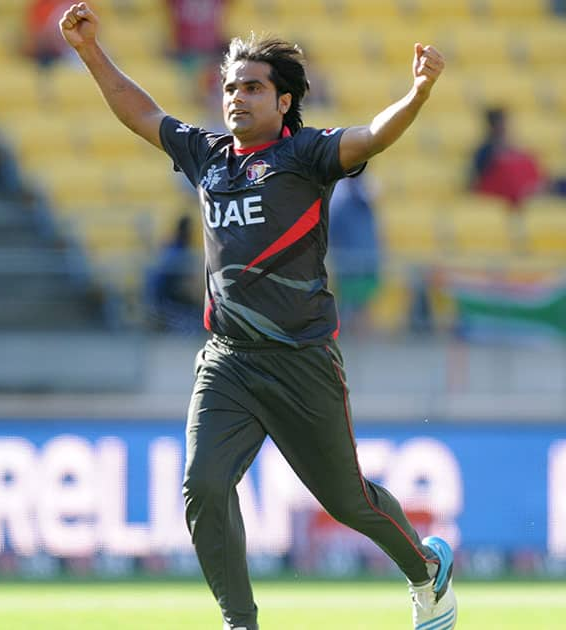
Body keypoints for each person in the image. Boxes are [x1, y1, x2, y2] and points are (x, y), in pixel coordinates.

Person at [60, 5, 456, 630]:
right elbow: (140, 112)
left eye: (252, 87)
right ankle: (239, 621)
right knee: (203, 487)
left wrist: (418, 91)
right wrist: (89, 52)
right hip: (229, 362)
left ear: (284, 100)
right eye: (229, 87)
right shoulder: (207, 154)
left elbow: (374, 135)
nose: (236, 98)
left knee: (349, 502)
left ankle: (427, 573)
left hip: (302, 361)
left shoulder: (308, 155)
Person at [327, 171, 380, 333]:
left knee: (361, 305)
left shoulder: (365, 202)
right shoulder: (341, 201)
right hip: (349, 263)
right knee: (350, 305)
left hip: (365, 260)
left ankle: (360, 342)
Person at [469, 106, 544, 207]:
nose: (505, 126)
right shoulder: (484, 150)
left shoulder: (514, 148)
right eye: (501, 123)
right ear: (493, 125)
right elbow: (477, 176)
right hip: (494, 193)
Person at [144, 214, 201, 333]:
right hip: (164, 299)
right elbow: (180, 282)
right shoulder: (177, 249)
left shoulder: (173, 245)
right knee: (193, 326)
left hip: (166, 296)